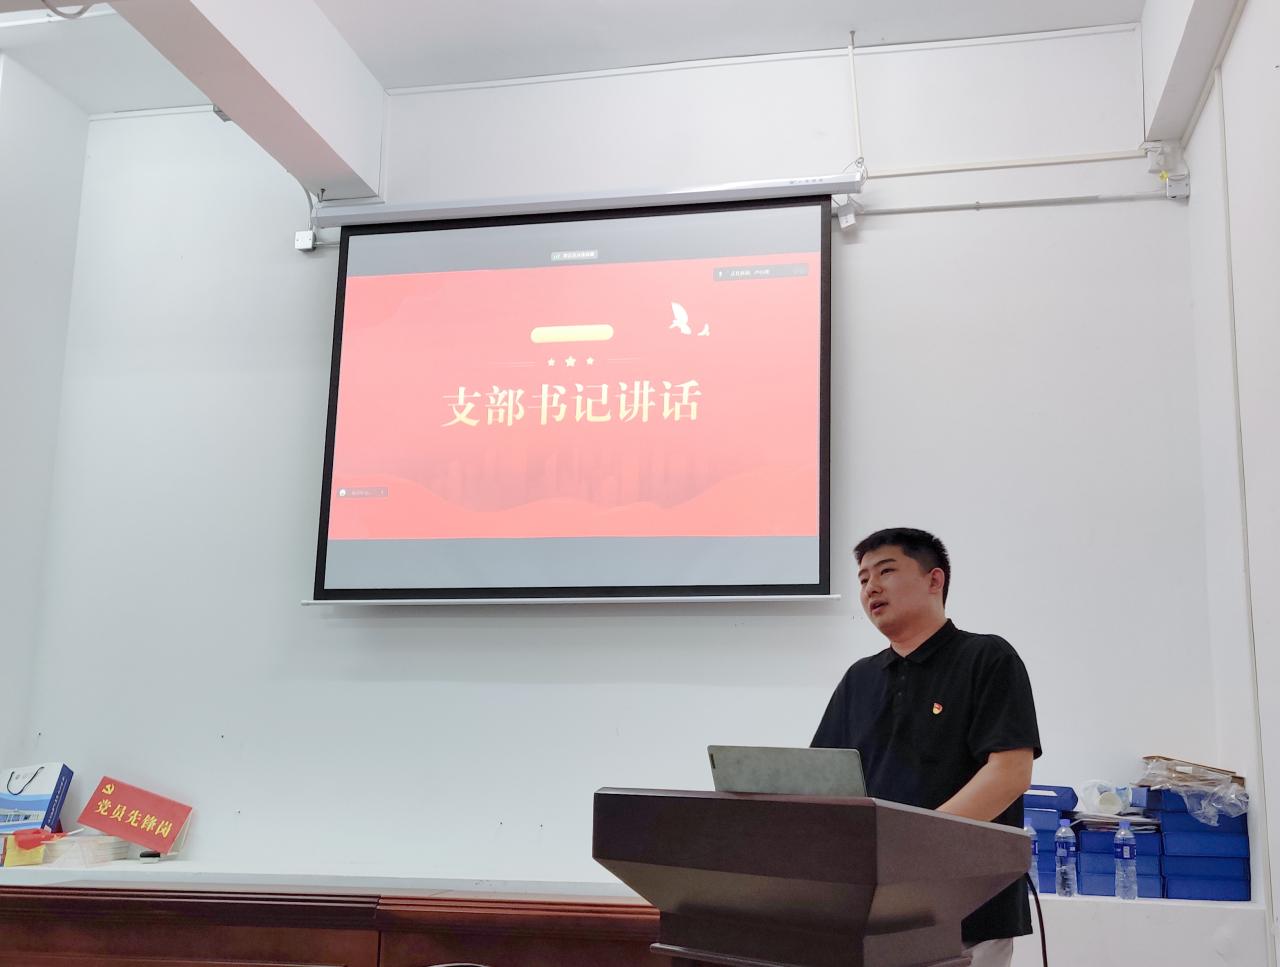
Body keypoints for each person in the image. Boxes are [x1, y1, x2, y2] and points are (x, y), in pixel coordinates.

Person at [812, 527, 1040, 967]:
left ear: (934, 580)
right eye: (863, 579)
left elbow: (1010, 772)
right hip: (873, 912)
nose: (871, 587)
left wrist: (913, 844)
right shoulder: (859, 678)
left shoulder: (987, 658)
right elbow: (822, 780)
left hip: (967, 912)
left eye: (886, 571)